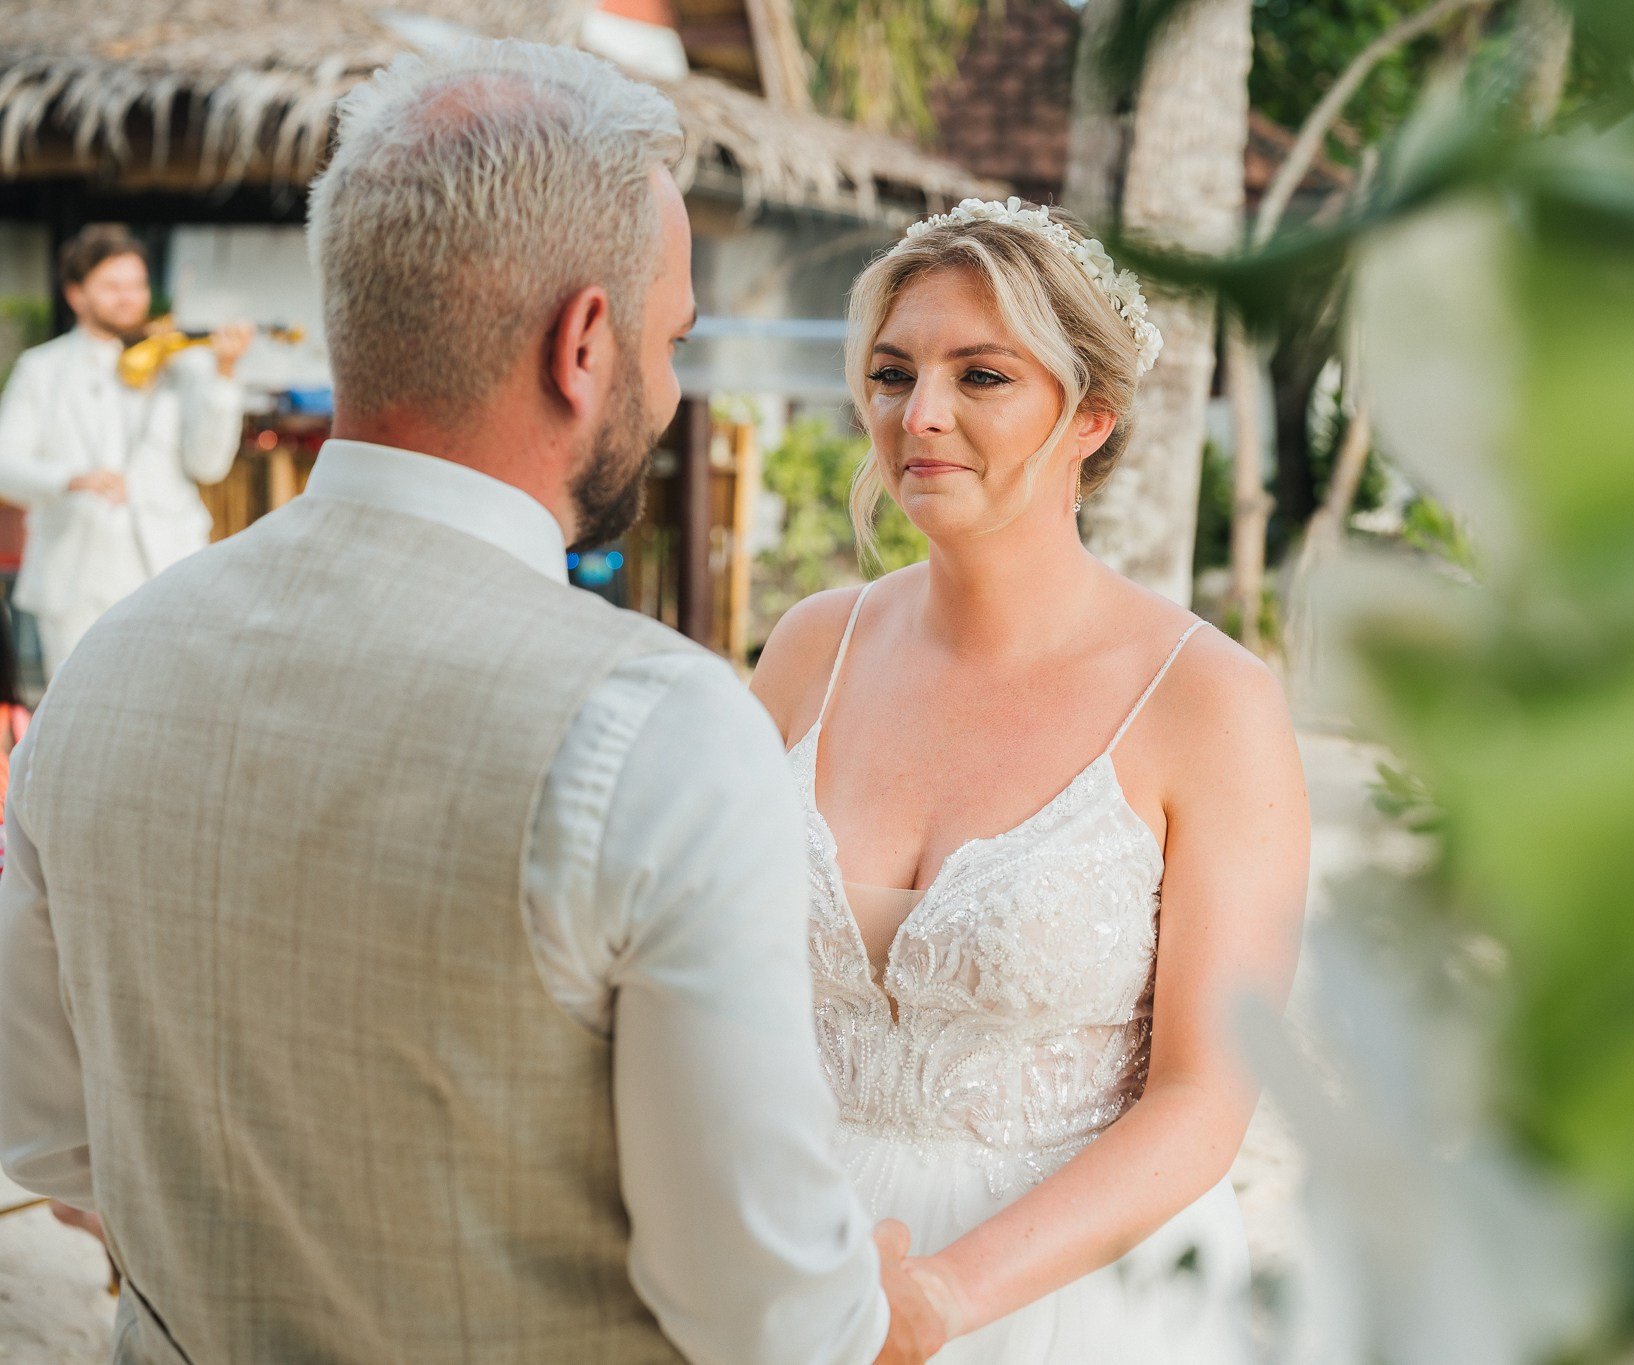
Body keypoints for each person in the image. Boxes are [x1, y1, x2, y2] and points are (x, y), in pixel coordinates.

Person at [0, 40, 940, 1365]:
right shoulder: (658, 726)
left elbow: (50, 1134)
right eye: (667, 341)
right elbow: (765, 1312)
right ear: (583, 345)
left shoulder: (107, 667)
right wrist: (890, 1306)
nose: (667, 392)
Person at [750, 198, 1312, 1362]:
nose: (923, 416)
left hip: (1066, 1301)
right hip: (793, 1269)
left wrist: (944, 1300)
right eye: (893, 373)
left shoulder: (1207, 702)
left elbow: (1205, 1097)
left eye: (983, 376)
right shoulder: (810, 650)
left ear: (1091, 416)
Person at [0, 225, 252, 674]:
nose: (129, 299)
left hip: (168, 568)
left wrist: (223, 376)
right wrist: (70, 479)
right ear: (76, 295)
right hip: (75, 579)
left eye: (136, 286)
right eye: (113, 287)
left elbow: (210, 465)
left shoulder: (182, 364)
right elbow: (6, 466)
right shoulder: (42, 369)